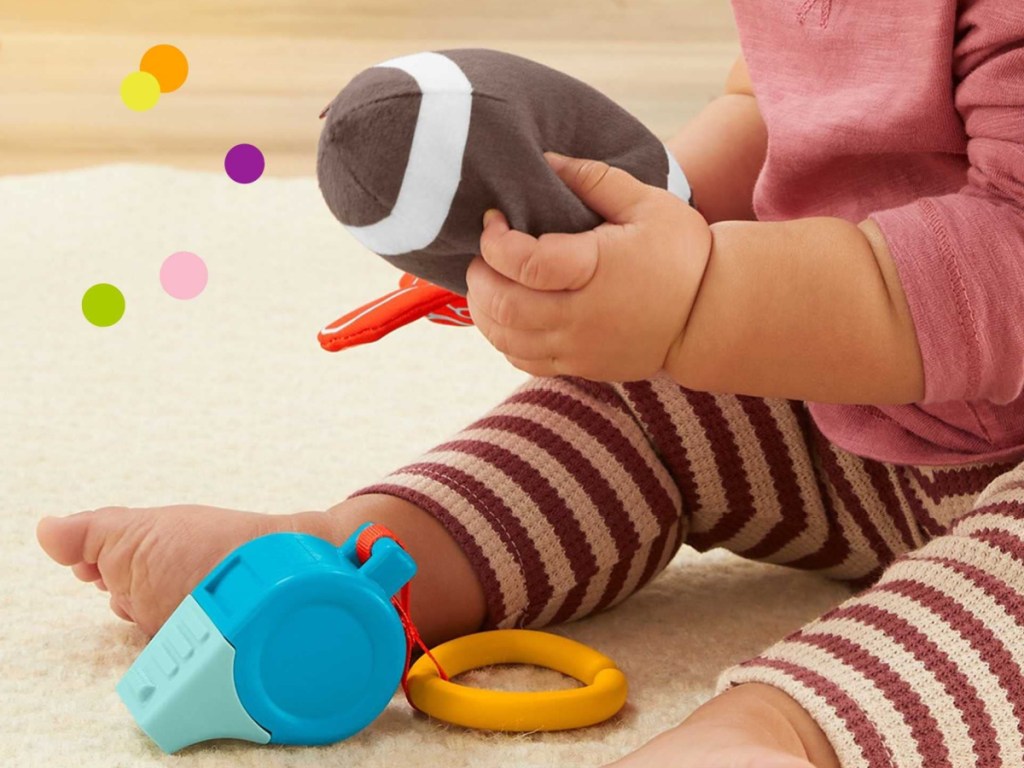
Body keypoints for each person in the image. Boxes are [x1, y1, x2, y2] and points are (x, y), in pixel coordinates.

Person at [37, 1, 1024, 765]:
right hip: (860, 408)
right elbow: (771, 115)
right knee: (644, 411)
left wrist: (702, 298)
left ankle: (788, 729)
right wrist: (640, 242)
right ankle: (355, 561)